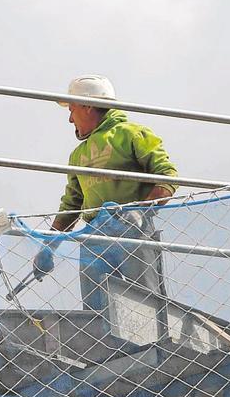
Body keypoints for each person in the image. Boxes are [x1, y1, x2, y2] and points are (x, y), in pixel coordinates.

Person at [34, 74, 178, 313]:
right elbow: (72, 206)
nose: (70, 119)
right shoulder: (77, 156)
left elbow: (167, 175)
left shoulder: (131, 134)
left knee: (144, 304)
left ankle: (149, 343)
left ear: (88, 106)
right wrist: (49, 246)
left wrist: (140, 213)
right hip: (94, 238)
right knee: (96, 312)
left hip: (133, 231)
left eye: (72, 109)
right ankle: (103, 346)